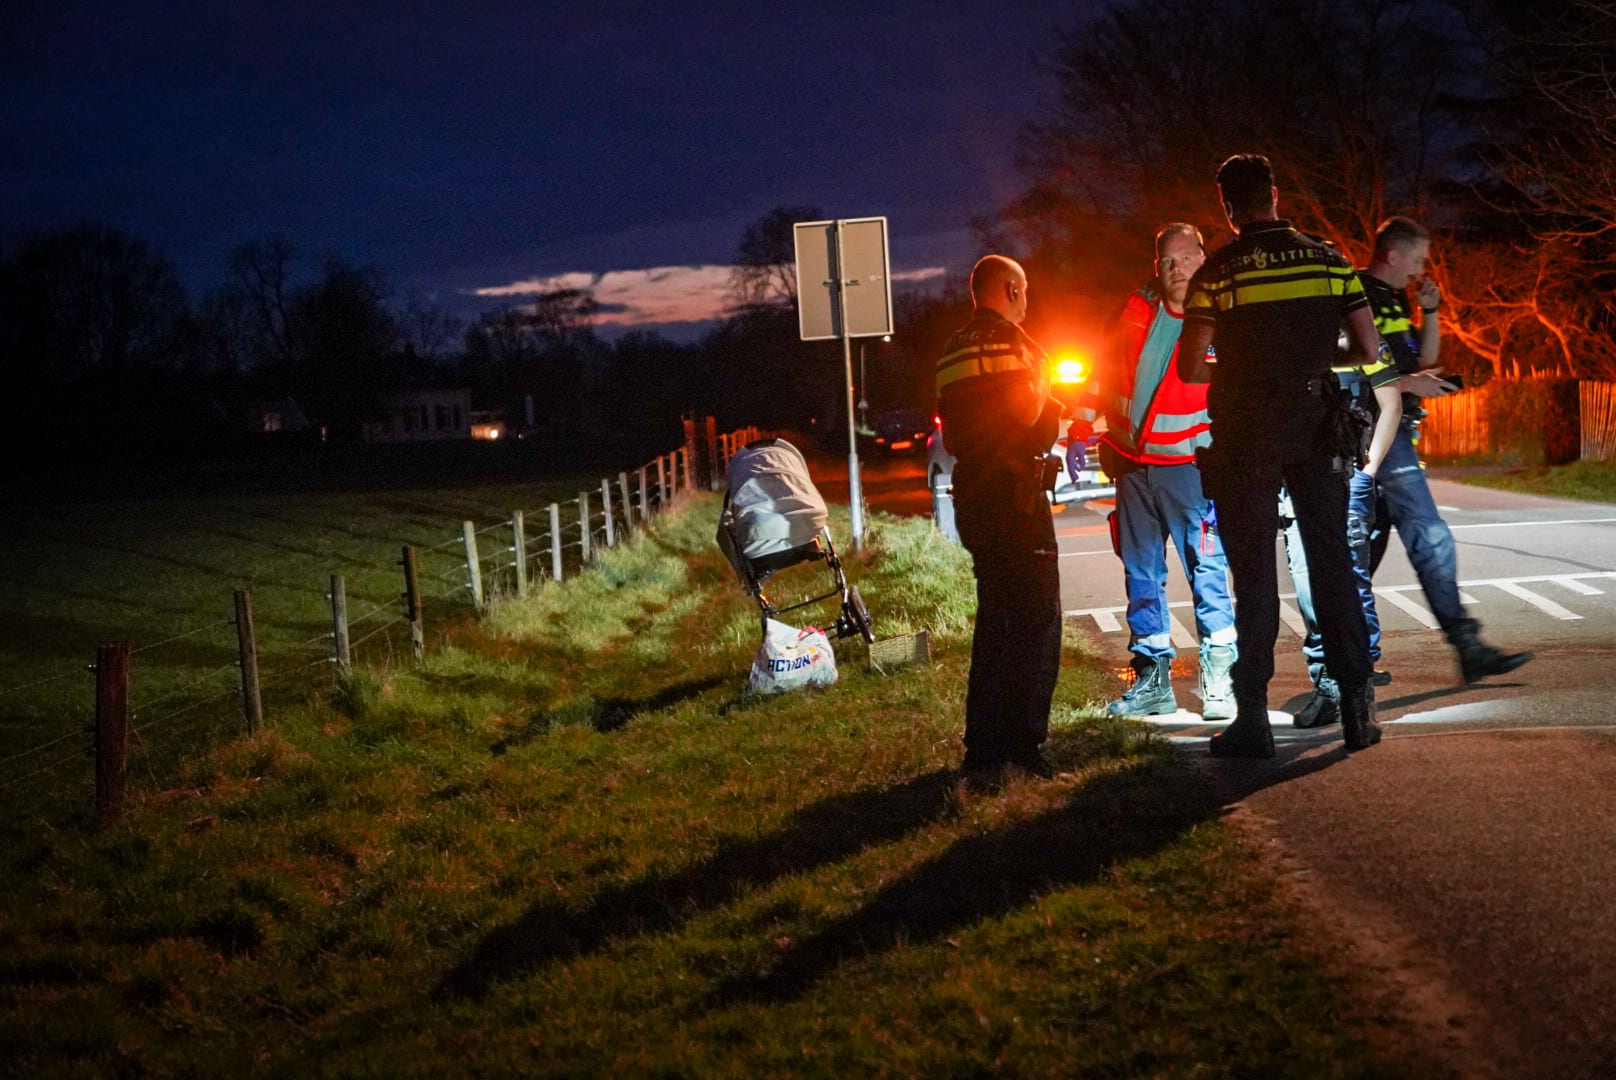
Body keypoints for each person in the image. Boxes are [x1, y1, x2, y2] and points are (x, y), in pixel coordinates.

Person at [1176, 153, 1384, 758]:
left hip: (1247, 429)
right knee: (1332, 562)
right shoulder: (1328, 258)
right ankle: (1356, 709)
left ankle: (1253, 722)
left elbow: (1192, 368)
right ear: (1274, 194)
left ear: (1228, 207)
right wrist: (1315, 366)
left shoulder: (1216, 273)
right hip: (1317, 424)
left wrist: (1240, 366)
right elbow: (1369, 348)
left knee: (1256, 575)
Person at [1287, 218, 1531, 725]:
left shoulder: (1395, 299)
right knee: (1386, 547)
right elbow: (1350, 366)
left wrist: (1433, 311)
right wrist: (1407, 385)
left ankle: (1369, 663)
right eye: (1418, 259)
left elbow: (1426, 357)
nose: (1423, 268)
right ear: (1394, 255)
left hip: (1393, 433)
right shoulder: (1352, 291)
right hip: (1369, 433)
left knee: (1375, 552)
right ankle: (1359, 669)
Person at [1068, 224, 1238, 720]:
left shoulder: (1224, 315)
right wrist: (1082, 421)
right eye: (1167, 260)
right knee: (1142, 576)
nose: (1176, 268)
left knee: (1207, 571)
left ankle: (1220, 678)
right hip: (1134, 466)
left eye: (1186, 258)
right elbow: (1102, 366)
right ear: (1155, 266)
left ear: (1204, 259)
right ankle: (1152, 680)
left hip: (1191, 468)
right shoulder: (1134, 310)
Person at [936, 254, 1064, 779]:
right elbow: (1032, 422)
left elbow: (952, 434)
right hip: (1017, 494)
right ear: (1010, 289)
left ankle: (982, 747)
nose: (1027, 302)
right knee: (1037, 618)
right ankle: (1024, 746)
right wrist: (1052, 400)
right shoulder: (1018, 345)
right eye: (1025, 291)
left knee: (995, 618)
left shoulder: (949, 350)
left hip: (973, 494)